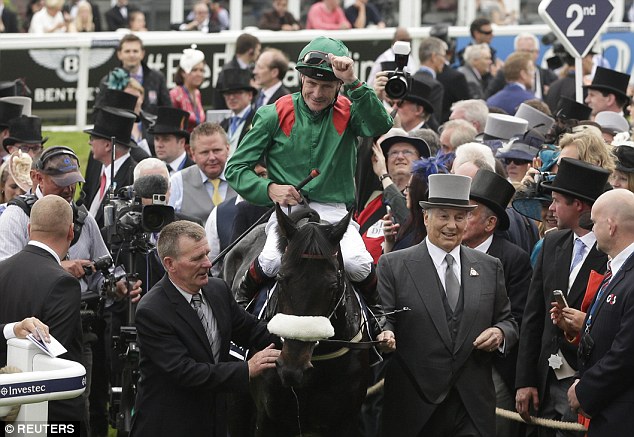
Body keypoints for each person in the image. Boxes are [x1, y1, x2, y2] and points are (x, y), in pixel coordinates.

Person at [225, 36, 392, 337]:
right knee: (272, 260)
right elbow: (235, 168)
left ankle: (379, 322)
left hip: (333, 211)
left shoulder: (350, 111)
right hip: (288, 211)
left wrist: (354, 81)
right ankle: (239, 309)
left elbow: (380, 125)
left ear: (338, 85)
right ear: (301, 77)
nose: (317, 93)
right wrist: (270, 189)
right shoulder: (272, 113)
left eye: (327, 86)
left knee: (356, 263)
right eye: (311, 83)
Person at [377, 173, 518, 436]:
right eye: (443, 216)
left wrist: (500, 333)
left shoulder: (489, 267)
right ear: (426, 217)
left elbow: (507, 320)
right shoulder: (394, 265)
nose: (451, 225)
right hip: (415, 406)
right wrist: (386, 332)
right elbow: (385, 316)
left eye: (459, 217)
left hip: (472, 407)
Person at [129, 220, 280, 437]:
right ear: (170, 264)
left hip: (214, 422)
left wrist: (295, 337)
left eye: (207, 254)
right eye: (197, 258)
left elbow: (250, 329)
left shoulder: (217, 290)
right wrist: (246, 369)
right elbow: (185, 372)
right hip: (169, 426)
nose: (208, 263)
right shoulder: (152, 311)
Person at [515, 158, 611, 436]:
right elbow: (533, 315)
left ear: (578, 205)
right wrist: (525, 380)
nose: (551, 209)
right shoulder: (552, 242)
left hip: (583, 384)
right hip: (545, 381)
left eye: (557, 201)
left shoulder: (612, 253)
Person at [0, 195, 85, 433]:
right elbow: (58, 351)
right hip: (51, 413)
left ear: (29, 229)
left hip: (6, 402)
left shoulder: (2, 270)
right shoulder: (63, 283)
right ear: (71, 232)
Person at [460, 169, 532, 437]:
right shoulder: (446, 250)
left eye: (469, 213)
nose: (459, 220)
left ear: (490, 223)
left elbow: (521, 315)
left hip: (491, 368)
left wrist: (501, 333)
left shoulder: (513, 259)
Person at [563, 189, 634, 436]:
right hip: (608, 412)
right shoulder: (616, 270)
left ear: (611, 226)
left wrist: (585, 391)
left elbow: (625, 353)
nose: (592, 231)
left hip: (621, 418)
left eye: (594, 223)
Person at [358, 128, 429, 263]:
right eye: (394, 153)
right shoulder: (372, 198)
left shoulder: (423, 198)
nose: (400, 157)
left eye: (407, 152)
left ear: (421, 161)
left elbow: (408, 218)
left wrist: (383, 175)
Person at [169, 122, 236, 226]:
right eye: (205, 152)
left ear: (228, 149)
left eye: (217, 150)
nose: (212, 157)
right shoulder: (178, 181)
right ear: (192, 154)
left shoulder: (241, 177)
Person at [82, 107, 138, 227]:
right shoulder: (100, 168)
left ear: (107, 145)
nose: (89, 142)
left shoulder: (132, 176)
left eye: (93, 138)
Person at [96, 34, 172, 116]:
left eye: (135, 51)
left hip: (149, 128)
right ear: (119, 54)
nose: (131, 55)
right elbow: (98, 115)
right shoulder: (109, 80)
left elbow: (167, 111)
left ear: (142, 54)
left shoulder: (157, 78)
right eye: (127, 51)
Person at [486, 33, 558, 100]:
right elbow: (488, 98)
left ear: (537, 53)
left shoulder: (549, 76)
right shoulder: (504, 74)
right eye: (522, 51)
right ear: (515, 53)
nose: (525, 55)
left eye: (530, 51)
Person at [213, 33, 261, 110]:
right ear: (251, 51)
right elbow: (220, 102)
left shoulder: (250, 70)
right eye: (258, 50)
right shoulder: (227, 71)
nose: (259, 53)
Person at [218, 69, 257, 154]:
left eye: (237, 93)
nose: (231, 97)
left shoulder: (258, 120)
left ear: (250, 95)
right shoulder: (223, 124)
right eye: (227, 93)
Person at [170, 45, 206, 133]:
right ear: (183, 73)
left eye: (201, 70)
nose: (199, 74)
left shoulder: (197, 93)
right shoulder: (175, 94)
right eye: (194, 70)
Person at [148, 106, 194, 175]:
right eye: (156, 139)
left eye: (166, 139)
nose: (159, 145)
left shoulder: (195, 171)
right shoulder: (149, 169)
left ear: (182, 142)